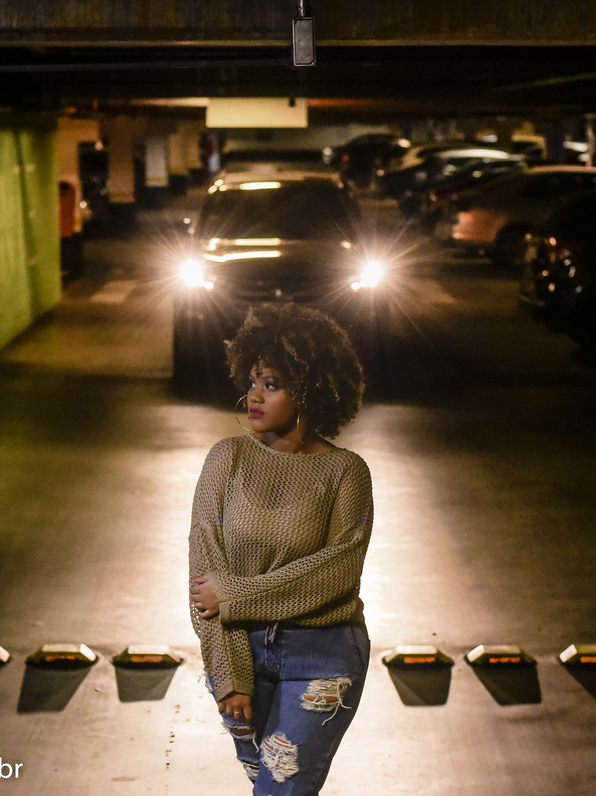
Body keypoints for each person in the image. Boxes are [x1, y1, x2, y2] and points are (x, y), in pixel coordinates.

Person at [188, 303, 373, 795]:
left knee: (280, 792)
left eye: (272, 384)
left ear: (311, 389)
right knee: (265, 788)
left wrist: (236, 597)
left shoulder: (345, 471)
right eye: (252, 381)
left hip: (324, 654)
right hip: (239, 648)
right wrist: (229, 674)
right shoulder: (225, 459)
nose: (254, 395)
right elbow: (205, 579)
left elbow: (337, 570)